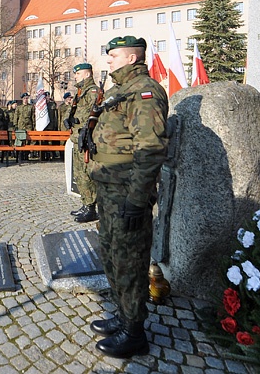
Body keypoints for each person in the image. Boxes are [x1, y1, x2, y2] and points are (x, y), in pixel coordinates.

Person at [88, 36, 168, 359]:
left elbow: (150, 150)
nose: (108, 61)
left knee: (130, 262)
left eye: (114, 55)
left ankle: (135, 332)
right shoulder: (117, 92)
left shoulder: (145, 93)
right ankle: (123, 315)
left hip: (126, 195)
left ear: (133, 58)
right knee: (111, 256)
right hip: (109, 192)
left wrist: (137, 199)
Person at [66, 63, 101, 223]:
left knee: (86, 174)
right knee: (79, 174)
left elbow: (93, 114)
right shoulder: (81, 92)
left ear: (87, 75)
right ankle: (86, 204)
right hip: (77, 137)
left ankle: (91, 207)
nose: (75, 76)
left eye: (78, 74)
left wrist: (79, 122)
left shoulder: (92, 91)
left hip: (86, 139)